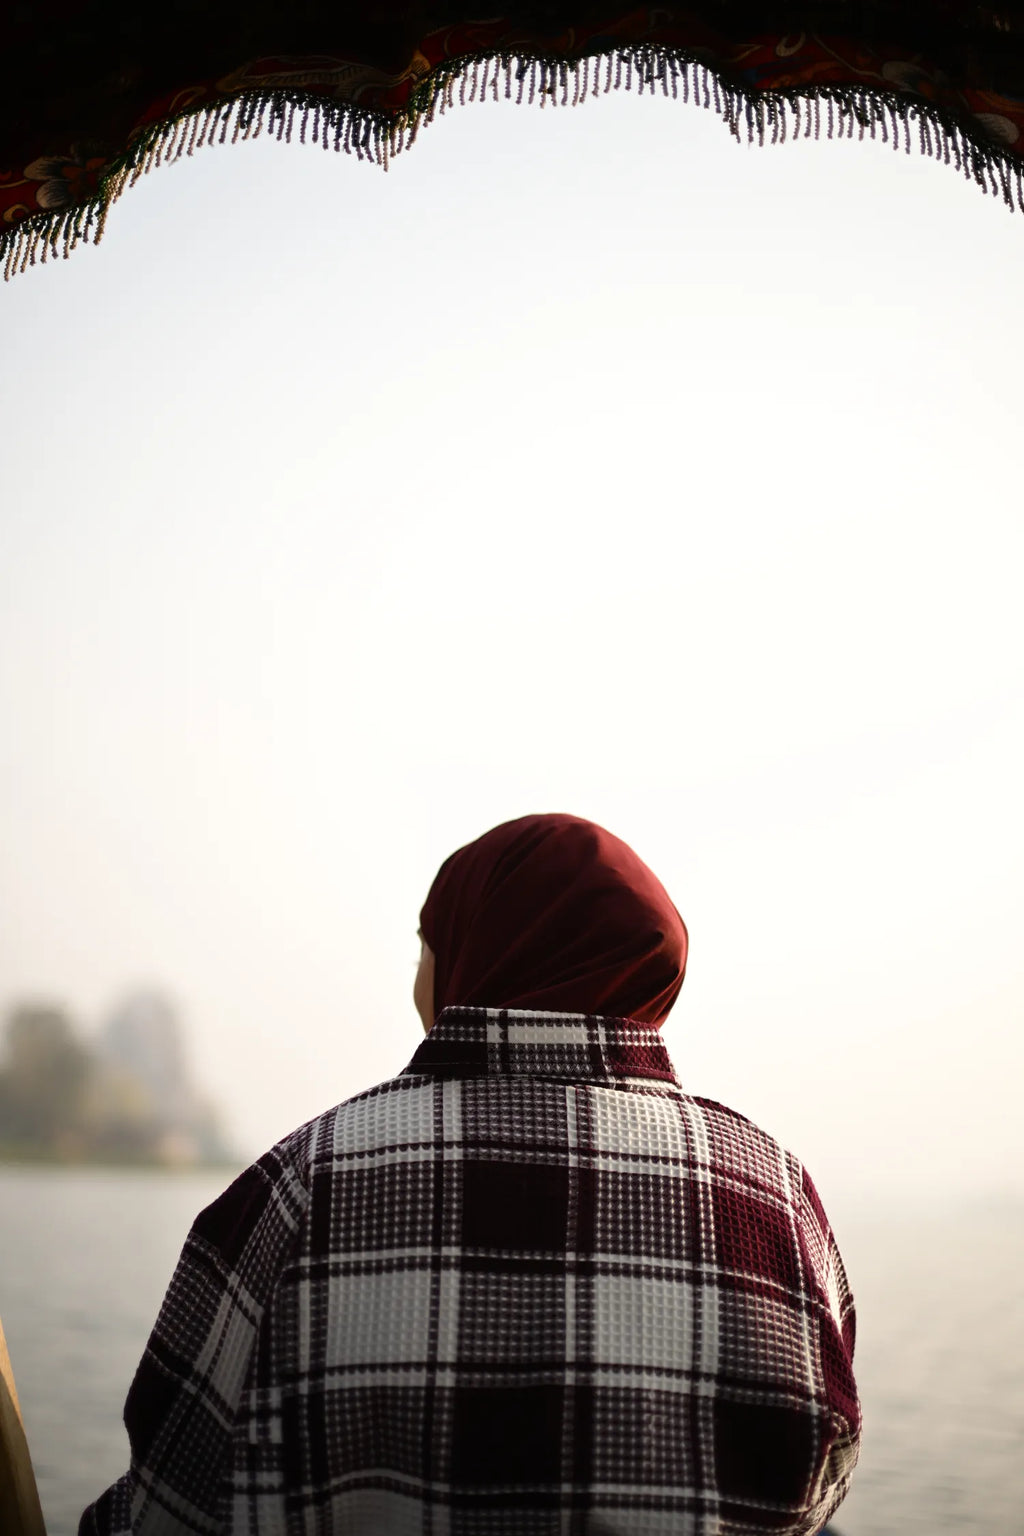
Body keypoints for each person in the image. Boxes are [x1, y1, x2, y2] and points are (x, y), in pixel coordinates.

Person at [80, 812, 860, 1535]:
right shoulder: (775, 1197)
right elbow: (818, 1483)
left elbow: (166, 1504)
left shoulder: (301, 1183)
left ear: (475, 954)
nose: (417, 977)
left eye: (426, 947)